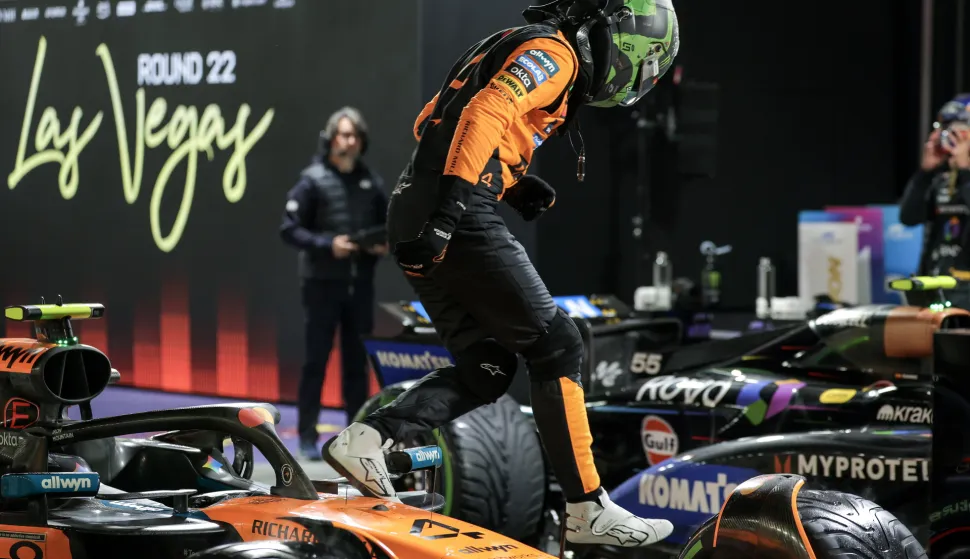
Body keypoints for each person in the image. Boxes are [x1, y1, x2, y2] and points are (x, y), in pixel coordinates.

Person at [323, 0, 679, 547]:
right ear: (623, 41)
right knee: (558, 343)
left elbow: (431, 119)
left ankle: (369, 437)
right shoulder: (555, 55)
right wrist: (451, 209)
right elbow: (486, 111)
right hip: (455, 212)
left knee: (487, 368)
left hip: (413, 204)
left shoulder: (512, 39)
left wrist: (510, 182)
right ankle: (586, 509)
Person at [280, 107, 389, 461]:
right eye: (343, 135)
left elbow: (387, 226)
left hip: (360, 285)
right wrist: (329, 244)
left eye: (355, 135)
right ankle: (308, 436)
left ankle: (355, 437)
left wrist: (380, 246)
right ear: (330, 139)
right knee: (316, 361)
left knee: (357, 366)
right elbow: (290, 229)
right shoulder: (312, 180)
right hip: (322, 285)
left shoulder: (371, 182)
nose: (350, 141)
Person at [900, 94, 970, 309]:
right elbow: (909, 217)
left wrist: (966, 171)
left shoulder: (964, 177)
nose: (951, 136)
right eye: (946, 128)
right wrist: (925, 172)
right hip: (933, 285)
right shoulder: (940, 178)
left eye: (960, 129)